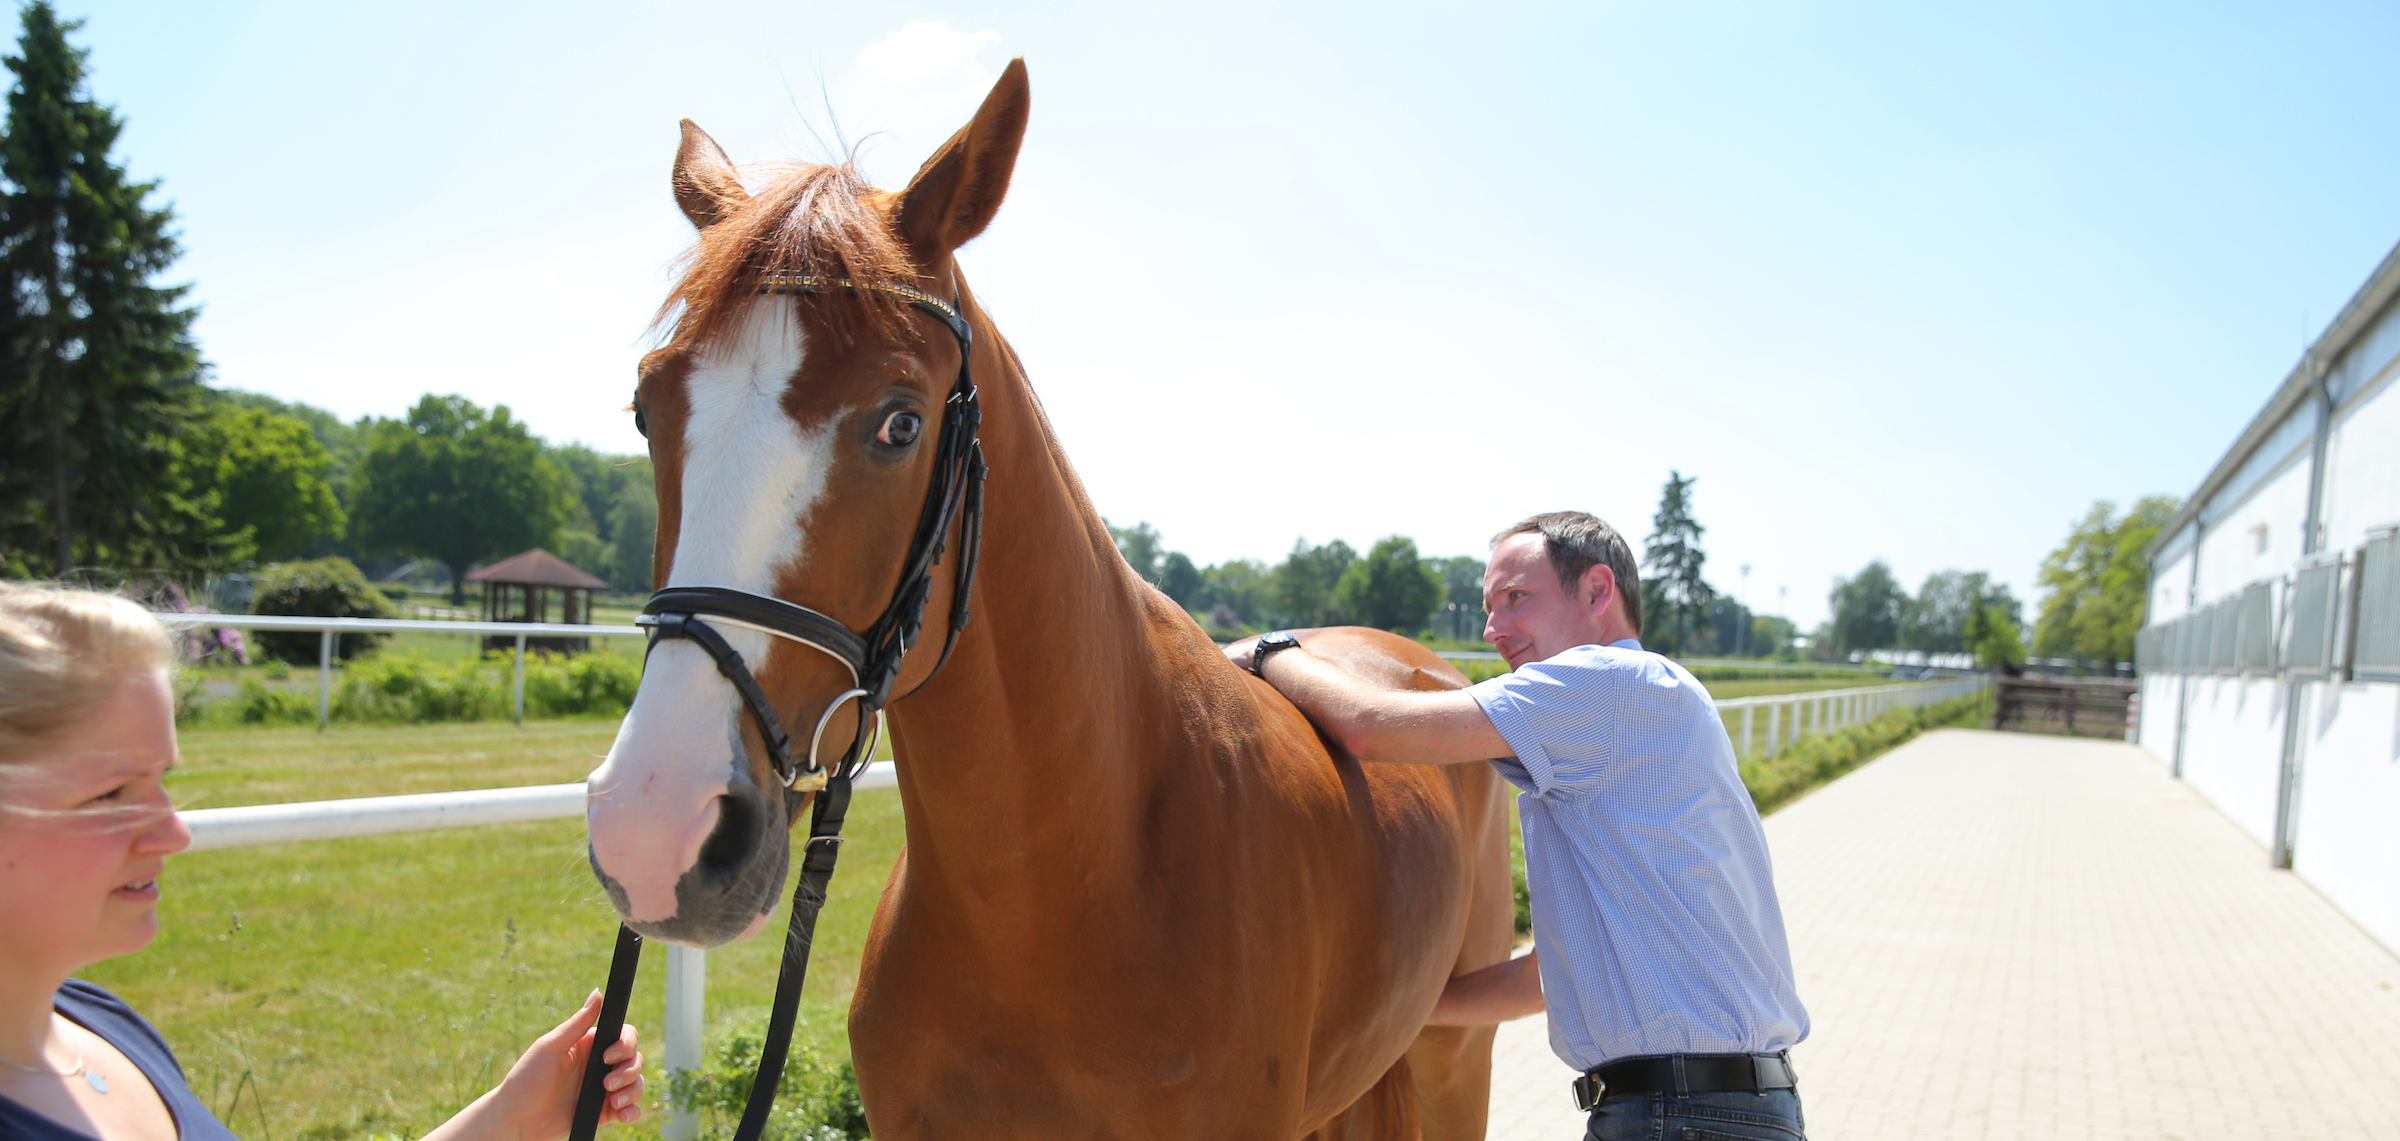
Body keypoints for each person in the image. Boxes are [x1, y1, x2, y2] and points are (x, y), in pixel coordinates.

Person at [1228, 512, 1810, 1140]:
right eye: (1488, 607)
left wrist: (1271, 653)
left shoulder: (1609, 682)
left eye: (1515, 599)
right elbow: (1547, 976)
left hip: (1682, 1119)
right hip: (1700, 1111)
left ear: (1596, 591)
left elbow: (1373, 726)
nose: (1493, 628)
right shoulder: (1642, 712)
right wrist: (1392, 1012)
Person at [0, 583, 647, 1141]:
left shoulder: (99, 1024)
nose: (172, 831)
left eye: (160, 782)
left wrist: (513, 1118)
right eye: (112, 793)